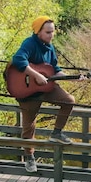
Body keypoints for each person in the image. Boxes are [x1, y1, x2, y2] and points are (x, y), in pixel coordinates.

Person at [10, 16, 81, 173]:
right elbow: (18, 59)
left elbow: (55, 69)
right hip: (27, 90)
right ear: (38, 32)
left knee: (69, 100)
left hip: (46, 87)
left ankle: (56, 133)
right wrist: (35, 74)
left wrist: (73, 78)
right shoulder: (30, 43)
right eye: (48, 32)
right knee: (29, 127)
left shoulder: (50, 47)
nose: (51, 35)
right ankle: (29, 157)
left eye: (53, 32)